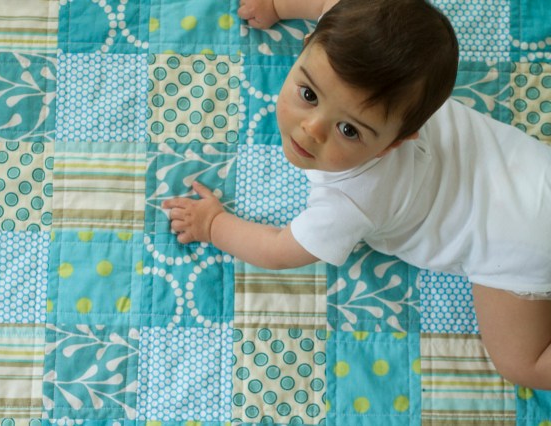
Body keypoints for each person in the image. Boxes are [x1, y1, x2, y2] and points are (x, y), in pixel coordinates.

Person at [162, 0, 551, 390]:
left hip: (512, 242)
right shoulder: (348, 43)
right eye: (309, 95)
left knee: (525, 365)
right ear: (308, 43)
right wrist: (278, 6)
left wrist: (214, 225)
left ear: (393, 144)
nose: (312, 129)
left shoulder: (348, 203)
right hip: (537, 171)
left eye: (349, 130)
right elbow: (326, 5)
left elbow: (278, 249)